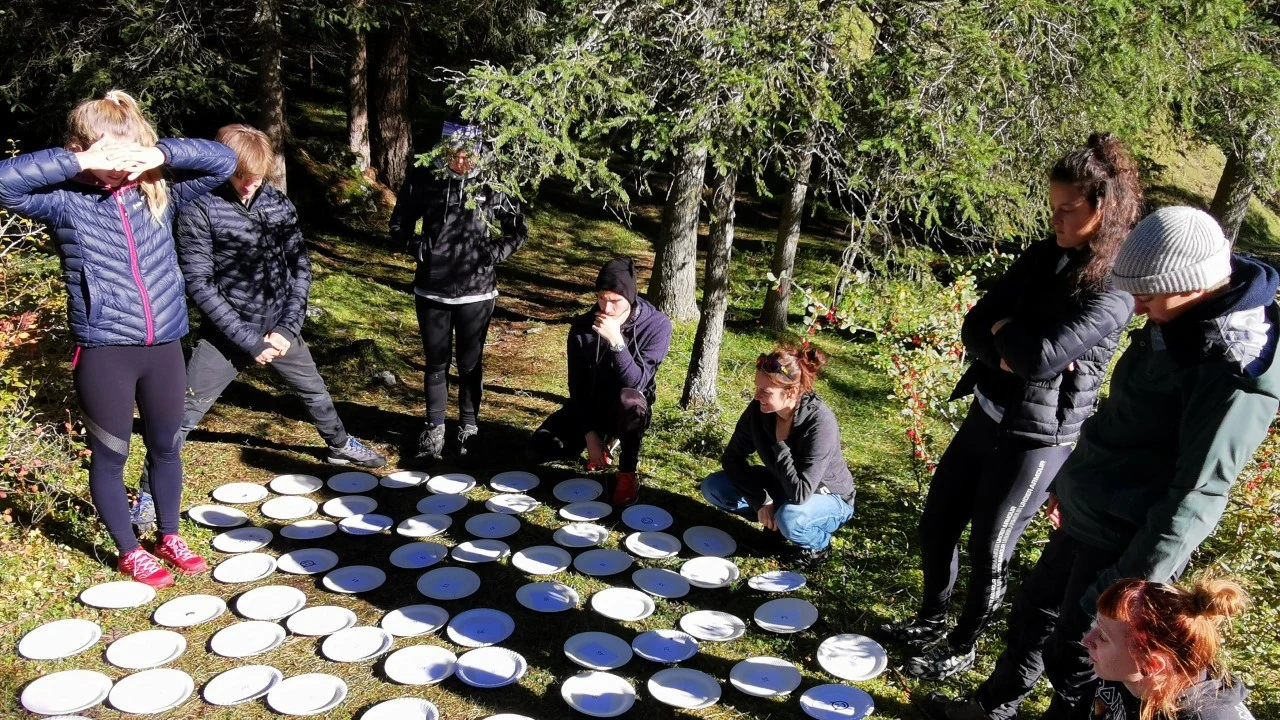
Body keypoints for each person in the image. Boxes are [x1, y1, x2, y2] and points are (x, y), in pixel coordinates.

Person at [920, 205, 1280, 720]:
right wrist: (1069, 481)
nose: (1136, 308)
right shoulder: (1180, 318)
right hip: (1090, 510)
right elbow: (1123, 417)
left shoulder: (1235, 371)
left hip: (1126, 539)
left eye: (1148, 297)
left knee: (1082, 653)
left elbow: (1198, 494)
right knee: (1034, 615)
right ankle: (994, 707)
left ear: (1189, 286)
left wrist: (1128, 591)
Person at [882, 133, 1140, 680]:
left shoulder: (1113, 289)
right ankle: (932, 617)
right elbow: (976, 324)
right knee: (937, 524)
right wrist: (1007, 337)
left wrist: (1013, 339)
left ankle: (963, 644)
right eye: (1053, 209)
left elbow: (1039, 359)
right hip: (988, 414)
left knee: (990, 547)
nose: (1057, 221)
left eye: (1068, 210)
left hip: (1038, 440)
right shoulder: (1043, 255)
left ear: (1104, 208)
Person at [0, 90, 236, 588]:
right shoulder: (64, 199)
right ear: (80, 147)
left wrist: (159, 155)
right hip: (106, 346)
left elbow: (223, 161)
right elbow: (3, 184)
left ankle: (168, 534)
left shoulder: (160, 189)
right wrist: (79, 162)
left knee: (167, 446)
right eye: (110, 157)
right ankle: (128, 549)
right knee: (111, 454)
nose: (119, 169)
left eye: (128, 154)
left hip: (165, 343)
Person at [130, 123, 386, 528]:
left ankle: (339, 444)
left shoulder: (279, 205)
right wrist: (249, 341)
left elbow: (299, 267)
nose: (249, 187)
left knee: (315, 392)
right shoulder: (199, 208)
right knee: (182, 412)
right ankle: (148, 494)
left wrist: (287, 327)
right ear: (224, 169)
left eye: (257, 179)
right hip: (226, 335)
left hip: (280, 329)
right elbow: (200, 283)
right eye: (240, 178)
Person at [390, 121, 527, 461]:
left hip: (476, 293)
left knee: (470, 363)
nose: (464, 161)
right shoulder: (426, 178)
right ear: (445, 151)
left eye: (471, 154)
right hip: (432, 290)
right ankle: (434, 430)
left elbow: (518, 230)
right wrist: (419, 248)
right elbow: (398, 224)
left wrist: (493, 254)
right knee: (436, 363)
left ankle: (468, 429)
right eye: (456, 154)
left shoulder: (493, 184)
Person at [528, 257, 673, 507]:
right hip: (593, 405)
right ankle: (601, 440)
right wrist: (590, 436)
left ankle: (627, 471)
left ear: (630, 298)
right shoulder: (582, 328)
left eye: (615, 301)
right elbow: (577, 387)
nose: (606, 308)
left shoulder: (657, 325)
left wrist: (617, 342)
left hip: (629, 407)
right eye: (601, 298)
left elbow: (636, 383)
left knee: (629, 399)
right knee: (540, 447)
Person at [699, 345, 855, 566]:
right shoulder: (758, 410)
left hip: (829, 497)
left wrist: (780, 443)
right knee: (714, 487)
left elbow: (801, 493)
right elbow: (732, 458)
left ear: (791, 392)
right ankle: (778, 527)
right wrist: (762, 500)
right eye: (757, 388)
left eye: (766, 392)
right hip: (784, 484)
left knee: (790, 518)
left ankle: (818, 544)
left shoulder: (820, 423)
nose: (756, 396)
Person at [1074, 576, 1254, 720]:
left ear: (1152, 665)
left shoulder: (1206, 715)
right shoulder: (1121, 674)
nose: (1086, 640)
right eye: (1096, 625)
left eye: (1104, 636)